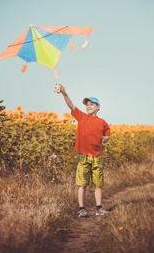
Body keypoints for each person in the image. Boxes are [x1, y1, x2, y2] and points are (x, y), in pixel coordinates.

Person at [60, 85, 110, 217]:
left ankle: (99, 209)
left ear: (98, 107)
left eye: (92, 104)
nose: (88, 106)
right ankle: (81, 209)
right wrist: (64, 93)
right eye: (87, 104)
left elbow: (107, 132)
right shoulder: (82, 117)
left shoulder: (102, 122)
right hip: (83, 157)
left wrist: (106, 137)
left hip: (96, 157)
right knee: (82, 184)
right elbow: (71, 106)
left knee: (98, 184)